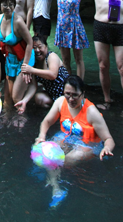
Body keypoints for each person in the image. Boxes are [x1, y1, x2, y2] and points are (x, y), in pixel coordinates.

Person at [35, 75, 115, 207]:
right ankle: (54, 184)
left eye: (75, 95)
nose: (71, 99)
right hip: (67, 137)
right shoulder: (60, 102)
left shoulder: (92, 112)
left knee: (67, 160)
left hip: (88, 144)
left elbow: (108, 139)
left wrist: (107, 148)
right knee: (47, 152)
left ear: (83, 94)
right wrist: (41, 136)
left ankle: (55, 187)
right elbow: (47, 121)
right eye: (67, 94)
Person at [46, 0, 90, 79]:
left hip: (75, 28)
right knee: (65, 60)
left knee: (79, 59)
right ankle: (68, 83)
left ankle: (79, 84)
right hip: (62, 29)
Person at [0, 0, 35, 106]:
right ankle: (9, 116)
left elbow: (30, 42)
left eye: (11, 4)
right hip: (10, 59)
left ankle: (23, 116)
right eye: (5, 5)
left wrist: (25, 66)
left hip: (24, 58)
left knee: (16, 98)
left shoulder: (18, 21)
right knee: (7, 99)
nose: (8, 7)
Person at [14, 35, 69, 113]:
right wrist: (24, 101)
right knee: (39, 98)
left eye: (40, 47)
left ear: (46, 47)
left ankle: (62, 109)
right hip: (52, 95)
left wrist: (32, 70)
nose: (37, 50)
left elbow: (53, 75)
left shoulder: (51, 56)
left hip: (66, 94)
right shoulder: (34, 63)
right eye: (34, 48)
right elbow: (33, 86)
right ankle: (55, 110)